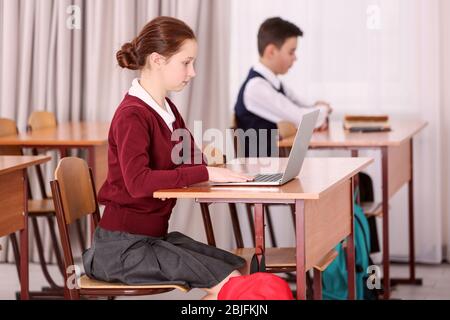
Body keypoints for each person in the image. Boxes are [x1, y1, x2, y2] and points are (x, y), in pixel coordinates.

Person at [82, 16, 252, 300]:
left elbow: (192, 161)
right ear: (158, 60)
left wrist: (221, 167)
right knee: (232, 283)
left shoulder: (167, 110)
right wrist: (207, 173)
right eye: (186, 62)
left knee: (237, 268)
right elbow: (138, 183)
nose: (193, 72)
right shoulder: (132, 115)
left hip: (151, 239)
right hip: (123, 249)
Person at [234, 17, 332, 157]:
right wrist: (325, 110)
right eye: (291, 52)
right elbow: (304, 119)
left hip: (277, 164)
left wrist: (317, 110)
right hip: (262, 171)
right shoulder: (257, 87)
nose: (295, 58)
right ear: (271, 51)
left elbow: (305, 105)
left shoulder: (273, 82)